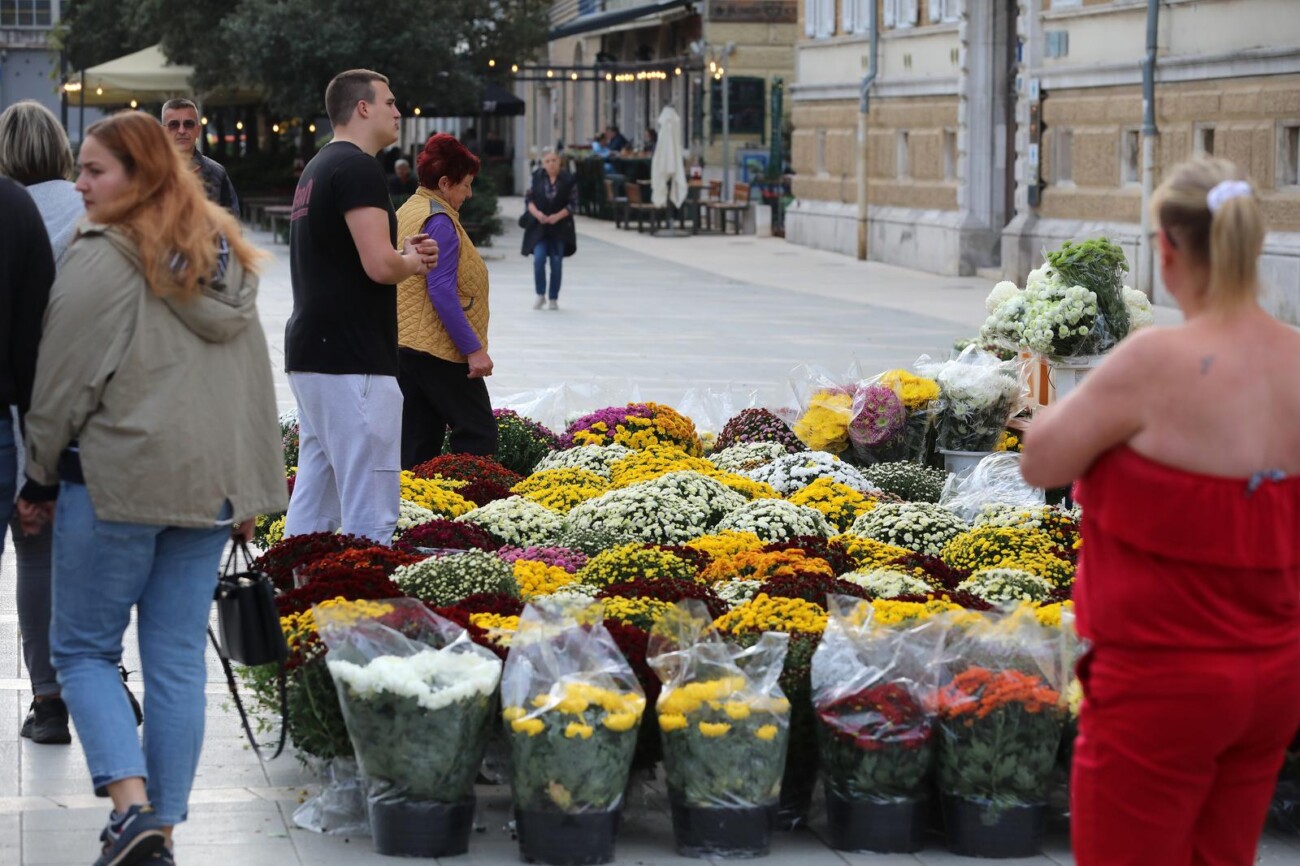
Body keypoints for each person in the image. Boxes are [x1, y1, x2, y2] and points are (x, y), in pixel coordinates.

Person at [15, 109, 286, 866]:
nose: (80, 184)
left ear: (140, 175)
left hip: (116, 482)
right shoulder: (223, 251)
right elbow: (249, 380)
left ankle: (132, 811)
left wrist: (36, 473)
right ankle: (159, 833)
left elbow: (63, 378)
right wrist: (250, 488)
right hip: (207, 490)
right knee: (174, 661)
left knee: (83, 652)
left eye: (95, 170)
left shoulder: (104, 254)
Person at [1020, 157, 1300, 866]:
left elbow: (1040, 463)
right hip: (1274, 678)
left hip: (1163, 682)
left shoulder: (1155, 363)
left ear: (1167, 250)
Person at [283, 69, 438, 545]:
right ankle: (364, 612)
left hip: (314, 353)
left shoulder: (317, 168)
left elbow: (350, 254)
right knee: (370, 508)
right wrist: (413, 260)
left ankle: (294, 601)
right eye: (390, 102)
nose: (398, 111)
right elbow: (378, 265)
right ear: (362, 107)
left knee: (316, 496)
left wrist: (398, 255)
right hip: (353, 360)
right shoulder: (358, 168)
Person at [0, 99, 83, 745]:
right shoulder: (83, 208)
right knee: (49, 556)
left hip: (22, 406)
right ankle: (57, 692)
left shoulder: (12, 206)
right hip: (67, 409)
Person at [394, 133, 496, 467]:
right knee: (478, 434)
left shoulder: (410, 208)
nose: (469, 193)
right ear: (444, 182)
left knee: (417, 442)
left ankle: (413, 512)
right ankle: (472, 505)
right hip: (439, 348)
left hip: (407, 346)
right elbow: (440, 290)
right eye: (465, 185)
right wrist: (473, 350)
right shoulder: (439, 221)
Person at [160, 98, 240, 219]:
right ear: (163, 131)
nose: (182, 130)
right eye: (174, 125)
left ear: (198, 130)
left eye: (188, 124)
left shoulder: (217, 172)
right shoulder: (150, 172)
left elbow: (232, 224)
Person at [521, 149, 577, 311]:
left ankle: (553, 297)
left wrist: (556, 217)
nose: (551, 164)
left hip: (560, 227)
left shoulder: (568, 179)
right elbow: (529, 199)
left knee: (556, 261)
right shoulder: (537, 177)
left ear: (560, 162)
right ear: (543, 163)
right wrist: (538, 214)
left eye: (554, 160)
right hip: (539, 225)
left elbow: (573, 204)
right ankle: (540, 294)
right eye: (548, 161)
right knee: (538, 259)